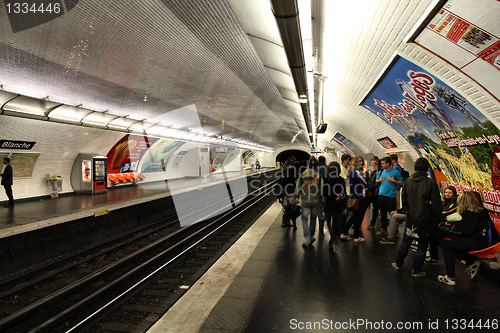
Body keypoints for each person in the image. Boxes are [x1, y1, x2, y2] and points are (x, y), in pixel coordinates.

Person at [392, 157, 441, 277]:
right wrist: (437, 218)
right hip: (425, 218)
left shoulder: (408, 181)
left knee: (406, 241)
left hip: (411, 217)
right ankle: (416, 270)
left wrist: (408, 211)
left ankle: (398, 263)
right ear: (426, 168)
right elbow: (436, 203)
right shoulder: (431, 183)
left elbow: (405, 199)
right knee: (422, 245)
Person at [438, 191, 500, 286]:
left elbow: (467, 232)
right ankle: (471, 262)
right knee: (455, 242)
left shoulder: (469, 213)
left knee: (447, 245)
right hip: (490, 241)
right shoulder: (480, 210)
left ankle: (450, 277)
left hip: (483, 243)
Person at [294, 157, 323, 247]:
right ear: (317, 166)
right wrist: (321, 199)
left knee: (304, 219)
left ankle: (307, 237)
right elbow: (321, 189)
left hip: (305, 200)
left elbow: (298, 187)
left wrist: (295, 197)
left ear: (308, 165)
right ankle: (311, 236)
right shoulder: (318, 176)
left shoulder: (303, 175)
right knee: (313, 219)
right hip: (316, 200)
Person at [426, 185, 458, 264]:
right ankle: (432, 255)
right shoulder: (443, 203)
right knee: (432, 232)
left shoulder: (455, 204)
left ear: (454, 194)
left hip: (450, 228)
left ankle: (432, 256)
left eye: (450, 193)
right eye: (446, 192)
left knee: (432, 233)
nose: (447, 194)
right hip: (441, 225)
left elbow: (444, 214)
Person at [342, 155, 369, 243]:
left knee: (353, 217)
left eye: (362, 161)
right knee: (357, 217)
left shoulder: (352, 172)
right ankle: (356, 237)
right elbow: (364, 182)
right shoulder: (356, 172)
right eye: (359, 161)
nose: (361, 163)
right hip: (358, 197)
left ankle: (344, 233)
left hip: (354, 196)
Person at [375, 157, 403, 235]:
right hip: (381, 195)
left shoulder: (395, 172)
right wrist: (379, 180)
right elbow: (377, 180)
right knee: (382, 213)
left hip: (390, 196)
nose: (382, 165)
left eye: (383, 163)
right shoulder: (382, 172)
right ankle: (383, 228)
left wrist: (393, 181)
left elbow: (401, 183)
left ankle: (393, 230)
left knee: (392, 214)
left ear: (388, 164)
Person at [322, 161, 347, 250]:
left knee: (328, 223)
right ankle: (333, 239)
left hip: (329, 204)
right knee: (336, 223)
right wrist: (344, 206)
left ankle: (333, 237)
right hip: (339, 204)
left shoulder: (327, 179)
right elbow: (344, 193)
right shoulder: (341, 179)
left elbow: (324, 192)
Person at [280, 157, 299, 229]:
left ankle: (285, 222)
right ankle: (294, 223)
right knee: (293, 209)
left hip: (285, 193)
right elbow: (298, 179)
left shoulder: (284, 172)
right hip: (292, 193)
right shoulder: (295, 172)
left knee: (285, 208)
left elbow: (281, 181)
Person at [366, 156, 382, 230]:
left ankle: (373, 222)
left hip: (375, 191)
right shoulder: (368, 170)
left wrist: (371, 188)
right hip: (368, 191)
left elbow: (378, 182)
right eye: (373, 160)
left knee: (375, 208)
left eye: (376, 160)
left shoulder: (380, 170)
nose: (374, 162)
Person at [316, 156, 328, 231]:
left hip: (318, 191)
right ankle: (324, 218)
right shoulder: (327, 168)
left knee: (319, 207)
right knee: (326, 206)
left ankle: (321, 222)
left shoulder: (317, 169)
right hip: (326, 190)